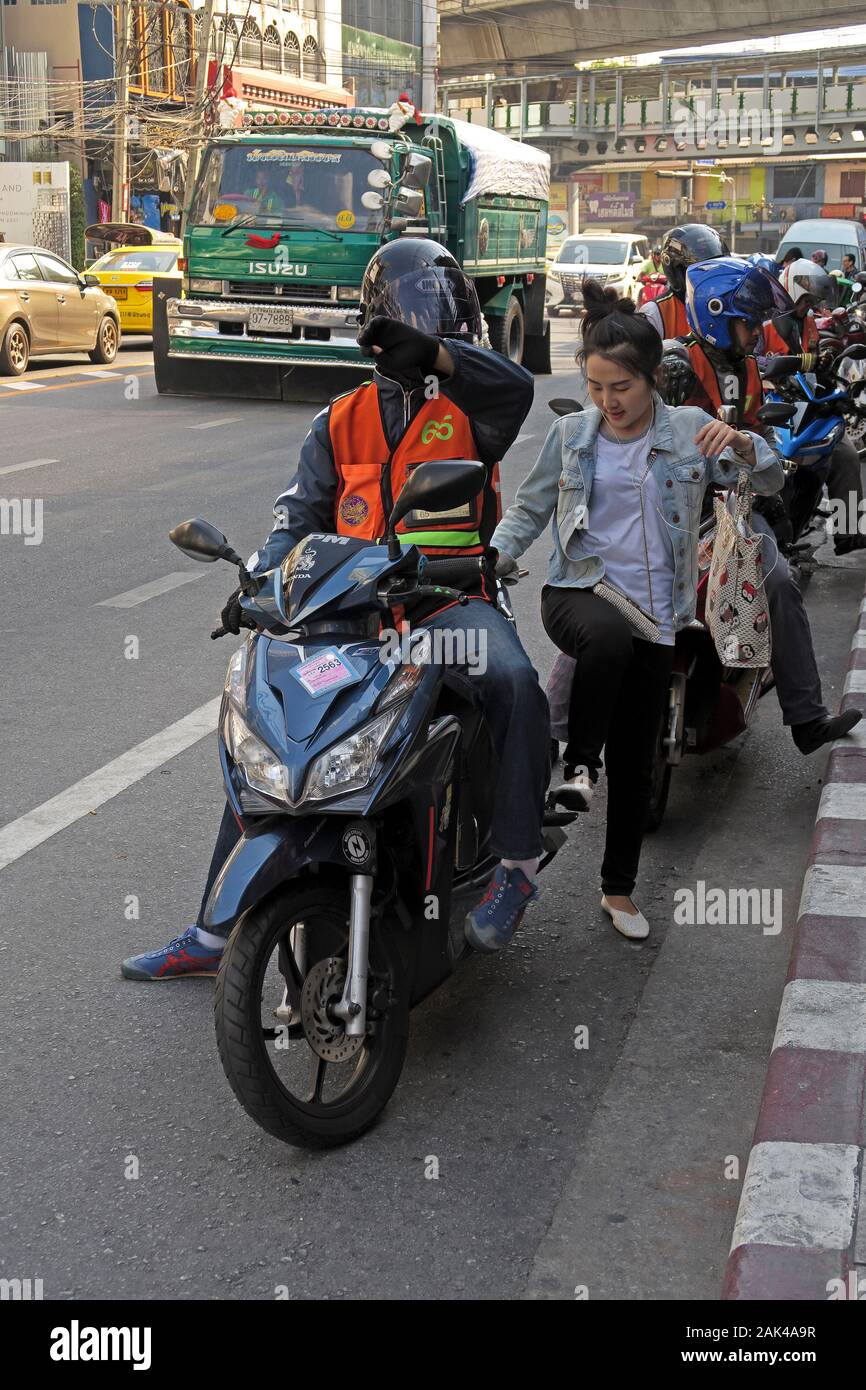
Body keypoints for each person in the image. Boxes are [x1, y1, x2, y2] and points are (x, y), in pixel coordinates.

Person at [122, 238, 551, 980]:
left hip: (448, 610)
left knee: (513, 679)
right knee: (275, 733)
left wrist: (441, 357)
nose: (416, 337)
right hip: (351, 622)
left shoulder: (474, 410)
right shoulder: (339, 419)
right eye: (405, 323)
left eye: (434, 324)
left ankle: (516, 865)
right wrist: (259, 582)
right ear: (372, 326)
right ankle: (215, 928)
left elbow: (516, 387)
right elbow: (296, 520)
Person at [490, 281, 784, 941]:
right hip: (579, 593)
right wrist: (494, 559)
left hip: (658, 614)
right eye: (595, 386)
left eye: (619, 387)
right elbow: (531, 510)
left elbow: (769, 479)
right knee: (609, 649)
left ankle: (618, 892)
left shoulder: (687, 433)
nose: (606, 402)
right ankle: (576, 774)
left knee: (637, 763)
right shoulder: (571, 435)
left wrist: (738, 442)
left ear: (653, 379)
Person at [671, 255, 863, 745]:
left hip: (732, 507)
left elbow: (757, 434)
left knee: (777, 581)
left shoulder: (749, 367)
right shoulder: (673, 364)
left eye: (758, 321)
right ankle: (567, 736)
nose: (756, 331)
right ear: (716, 316)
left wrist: (758, 467)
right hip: (666, 507)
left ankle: (807, 718)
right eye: (748, 322)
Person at [756, 258, 865, 554]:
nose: (809, 304)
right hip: (771, 410)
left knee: (846, 456)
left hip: (807, 406)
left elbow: (814, 361)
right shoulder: (763, 322)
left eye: (812, 299)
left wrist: (824, 362)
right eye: (806, 298)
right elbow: (752, 362)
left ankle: (847, 532)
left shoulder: (808, 324)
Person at [640, 224, 729, 340]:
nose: (710, 279)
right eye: (701, 272)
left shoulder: (732, 304)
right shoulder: (654, 313)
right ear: (677, 271)